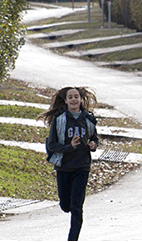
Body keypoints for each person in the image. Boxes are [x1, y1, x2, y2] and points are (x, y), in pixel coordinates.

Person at [40, 87, 100, 241]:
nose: (74, 100)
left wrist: (93, 144)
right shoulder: (59, 119)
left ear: (81, 100)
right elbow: (52, 145)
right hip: (64, 167)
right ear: (66, 101)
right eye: (70, 97)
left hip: (82, 167)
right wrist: (69, 147)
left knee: (76, 208)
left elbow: (94, 137)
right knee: (65, 205)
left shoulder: (88, 118)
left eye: (76, 97)